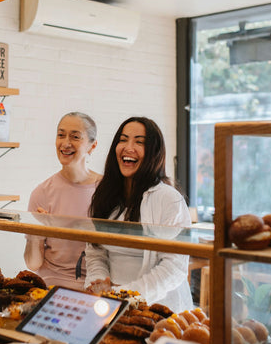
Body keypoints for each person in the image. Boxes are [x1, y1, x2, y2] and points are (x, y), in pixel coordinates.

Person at [83, 116, 194, 313]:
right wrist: (99, 285)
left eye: (139, 142)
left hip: (158, 307)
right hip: (108, 305)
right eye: (123, 139)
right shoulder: (104, 194)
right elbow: (95, 252)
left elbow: (174, 267)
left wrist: (126, 295)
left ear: (154, 153)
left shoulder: (169, 199)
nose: (128, 147)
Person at [25, 112, 102, 290]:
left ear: (92, 146)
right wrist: (37, 233)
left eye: (75, 136)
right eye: (61, 135)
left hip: (96, 287)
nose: (66, 143)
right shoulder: (41, 193)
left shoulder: (106, 190)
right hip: (51, 286)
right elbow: (33, 264)